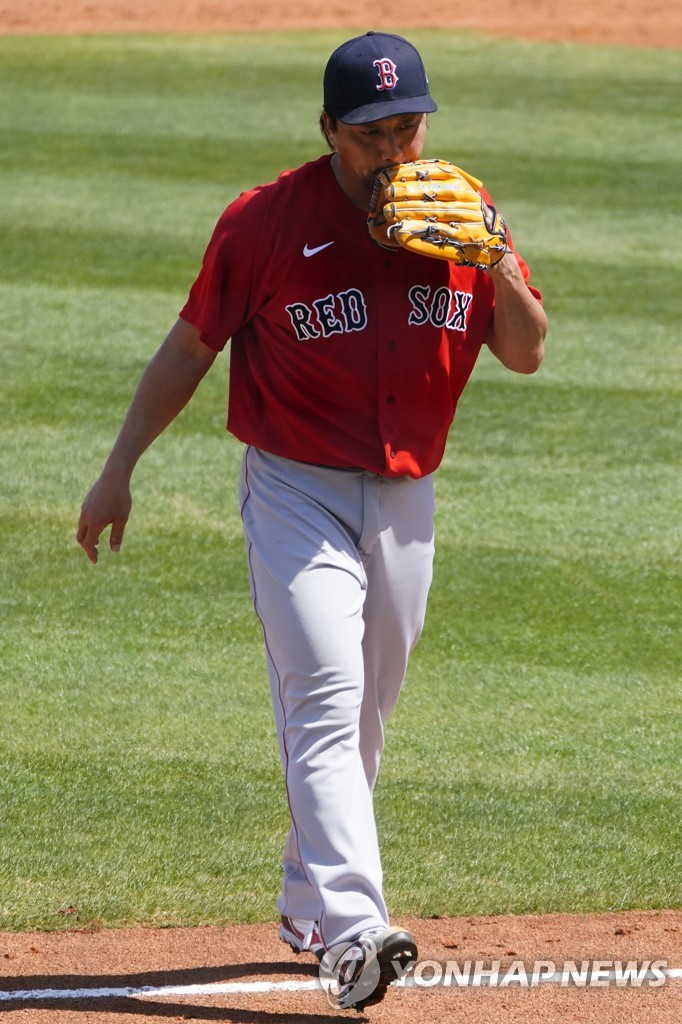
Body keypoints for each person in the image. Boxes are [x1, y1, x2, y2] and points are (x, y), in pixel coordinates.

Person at [77, 31, 547, 1010]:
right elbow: (188, 348)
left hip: (407, 495)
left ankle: (304, 899)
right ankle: (354, 931)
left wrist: (496, 259)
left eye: (408, 124)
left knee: (366, 707)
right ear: (329, 128)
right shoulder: (264, 223)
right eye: (372, 130)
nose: (394, 146)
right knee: (325, 697)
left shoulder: (461, 208)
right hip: (295, 490)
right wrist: (120, 466)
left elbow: (526, 351)